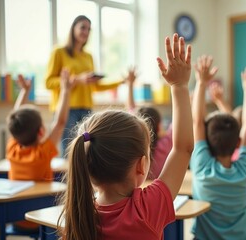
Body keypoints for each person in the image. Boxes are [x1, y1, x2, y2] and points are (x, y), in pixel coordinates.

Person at [58, 33, 193, 240]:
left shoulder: (78, 216)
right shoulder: (146, 209)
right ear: (141, 166)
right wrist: (180, 86)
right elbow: (183, 148)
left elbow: (182, 148)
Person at [45, 15, 133, 156]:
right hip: (66, 109)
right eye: (82, 27)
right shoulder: (59, 52)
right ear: (73, 28)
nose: (86, 32)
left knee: (87, 152)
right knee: (69, 152)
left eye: (89, 29)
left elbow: (95, 87)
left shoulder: (88, 56)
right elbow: (48, 83)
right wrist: (77, 79)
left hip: (86, 109)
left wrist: (121, 81)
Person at [190, 59, 246, 240]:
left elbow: (197, 122)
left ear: (207, 143)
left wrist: (201, 82)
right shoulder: (245, 169)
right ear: (238, 143)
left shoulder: (202, 167)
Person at [6, 69, 72, 232]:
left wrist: (24, 91)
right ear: (41, 131)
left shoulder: (12, 149)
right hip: (41, 221)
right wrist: (65, 89)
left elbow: (16, 119)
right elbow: (60, 122)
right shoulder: (42, 154)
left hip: (14, 220)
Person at [125, 72, 172, 179]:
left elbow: (131, 112)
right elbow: (179, 122)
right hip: (157, 191)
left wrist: (130, 85)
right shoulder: (165, 144)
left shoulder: (132, 147)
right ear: (159, 126)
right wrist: (177, 86)